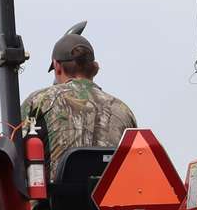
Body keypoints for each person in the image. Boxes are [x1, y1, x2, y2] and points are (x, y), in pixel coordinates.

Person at [18, 22, 138, 170]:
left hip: (56, 193)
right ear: (95, 68)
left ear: (57, 66)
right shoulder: (123, 110)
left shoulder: (40, 101)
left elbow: (14, 155)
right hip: (111, 193)